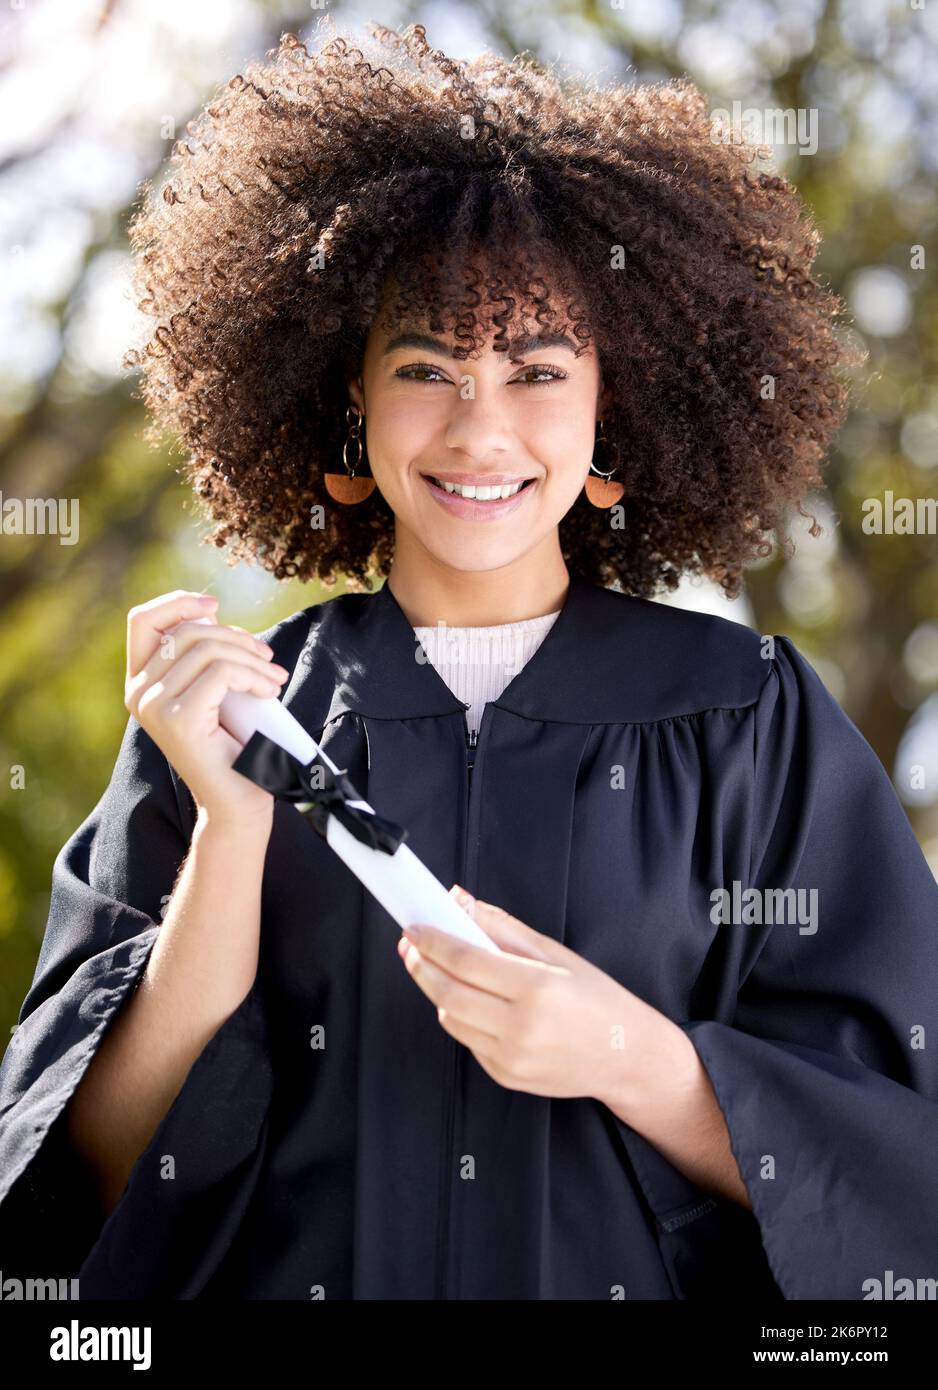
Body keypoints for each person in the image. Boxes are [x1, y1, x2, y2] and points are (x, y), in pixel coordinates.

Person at [2, 20, 937, 1302]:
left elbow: (899, 1167)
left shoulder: (743, 716)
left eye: (537, 368)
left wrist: (637, 1058)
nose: (477, 426)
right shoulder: (232, 719)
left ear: (616, 405)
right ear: (352, 402)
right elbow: (86, 1186)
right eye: (424, 365)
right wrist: (226, 829)